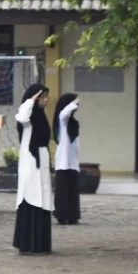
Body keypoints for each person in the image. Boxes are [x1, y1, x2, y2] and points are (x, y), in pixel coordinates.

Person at [13, 84, 53, 254]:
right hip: (31, 162)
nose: (45, 101)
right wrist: (31, 100)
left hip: (42, 160)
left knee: (42, 198)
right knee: (31, 196)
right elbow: (21, 116)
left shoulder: (41, 116)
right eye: (42, 97)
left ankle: (41, 243)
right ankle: (28, 242)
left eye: (46, 97)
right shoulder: (28, 119)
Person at [53, 93, 81, 225]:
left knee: (72, 190)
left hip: (73, 162)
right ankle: (62, 215)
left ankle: (72, 215)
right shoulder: (63, 120)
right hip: (63, 161)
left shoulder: (73, 123)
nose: (77, 106)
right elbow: (65, 112)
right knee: (63, 191)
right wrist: (73, 102)